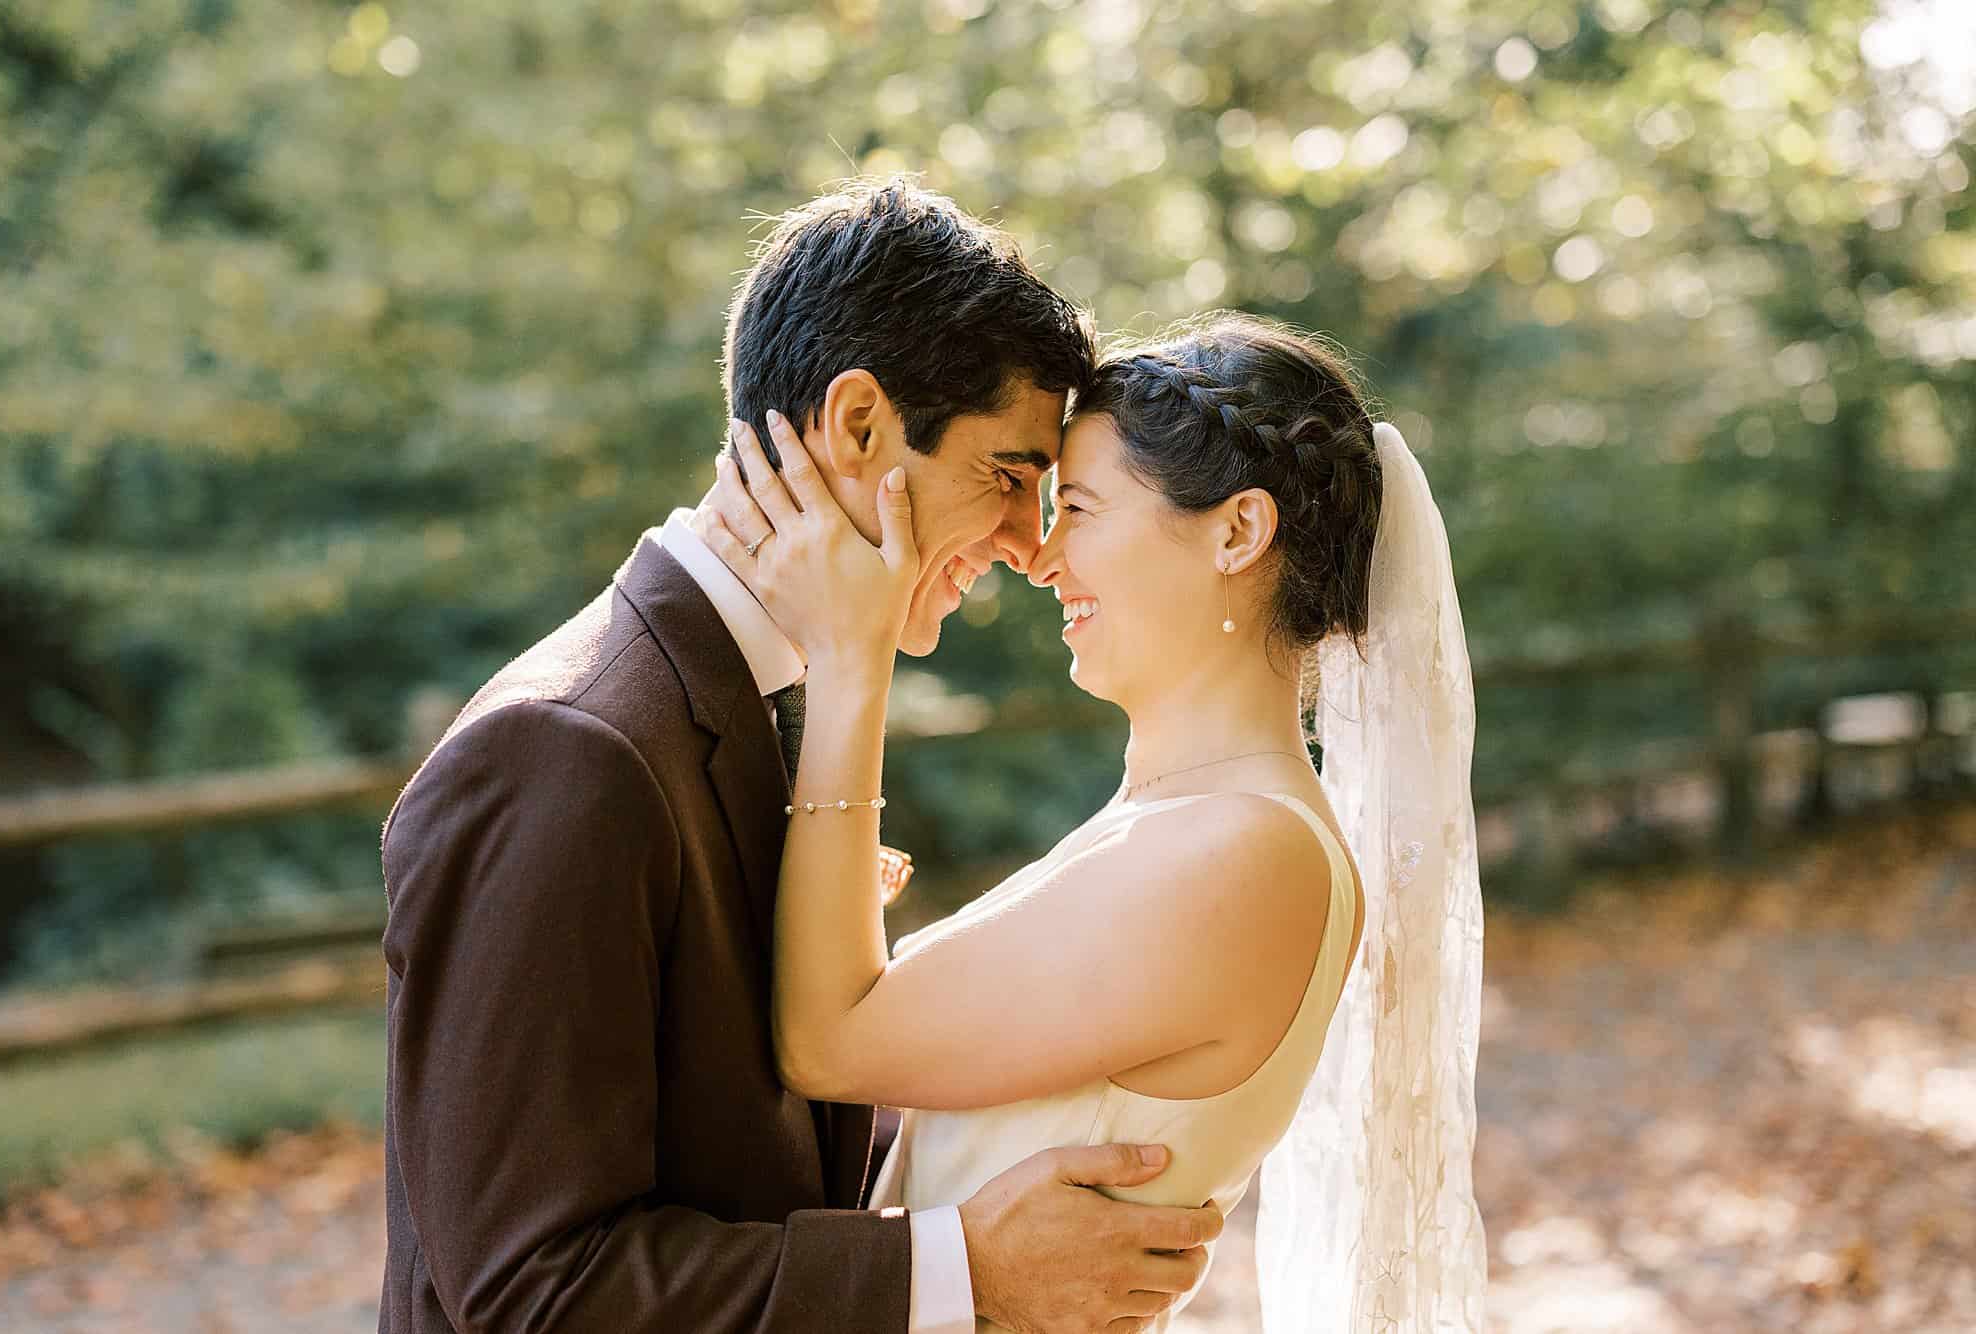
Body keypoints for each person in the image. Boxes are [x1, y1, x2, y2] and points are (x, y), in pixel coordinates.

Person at [376, 180, 1224, 1334]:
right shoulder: (566, 750)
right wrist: (956, 1268)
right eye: (1008, 475)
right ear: (861, 423)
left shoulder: (772, 697)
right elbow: (534, 1290)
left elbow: (756, 1141)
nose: (1033, 546)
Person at [700, 311, 1488, 1332]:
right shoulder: (1185, 819)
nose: (1037, 553)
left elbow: (828, 1040)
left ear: (1236, 532)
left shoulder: (1245, 854)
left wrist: (854, 653)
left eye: (1075, 505)